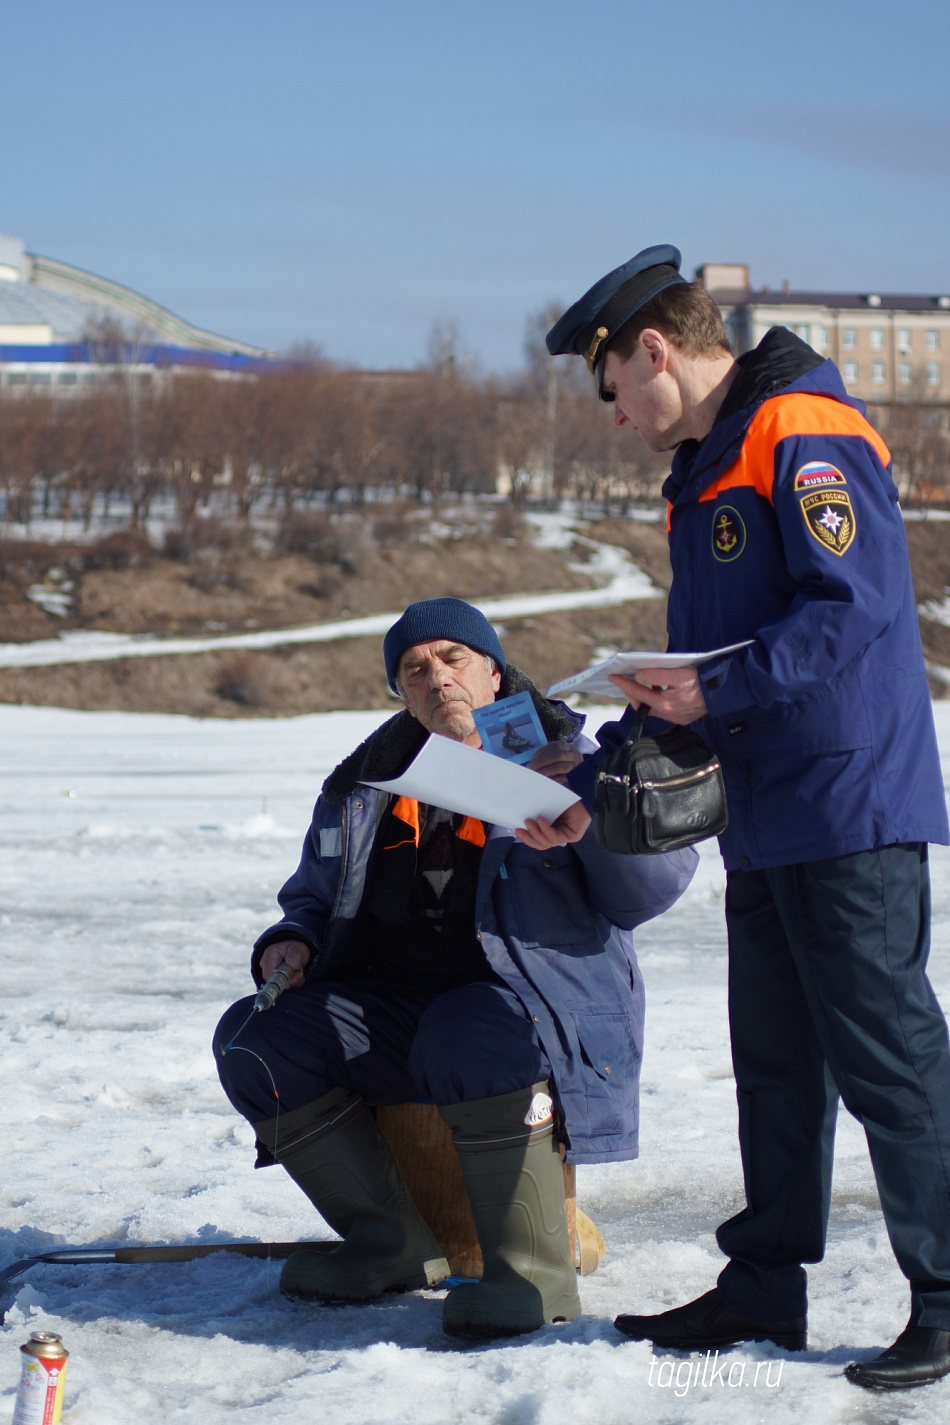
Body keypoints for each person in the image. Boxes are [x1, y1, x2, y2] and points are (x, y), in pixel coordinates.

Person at [547, 246, 950, 1390]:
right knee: (774, 1062)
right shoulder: (709, 464)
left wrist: (711, 689)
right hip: (767, 811)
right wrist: (603, 775)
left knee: (887, 1057)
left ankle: (944, 1293)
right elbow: (713, 657)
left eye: (614, 387)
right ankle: (766, 1280)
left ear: (655, 351)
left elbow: (858, 608)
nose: (618, 417)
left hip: (845, 798)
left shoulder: (797, 427)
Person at [214, 596, 696, 1340]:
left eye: (453, 657)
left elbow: (652, 890)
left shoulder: (569, 754)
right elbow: (312, 893)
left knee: (465, 1027)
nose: (436, 676)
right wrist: (292, 938)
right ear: (400, 693)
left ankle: (533, 1273)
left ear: (494, 673)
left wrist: (584, 818)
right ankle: (391, 1242)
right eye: (414, 668)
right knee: (253, 1036)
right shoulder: (363, 783)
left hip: (529, 1012)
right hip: (392, 1013)